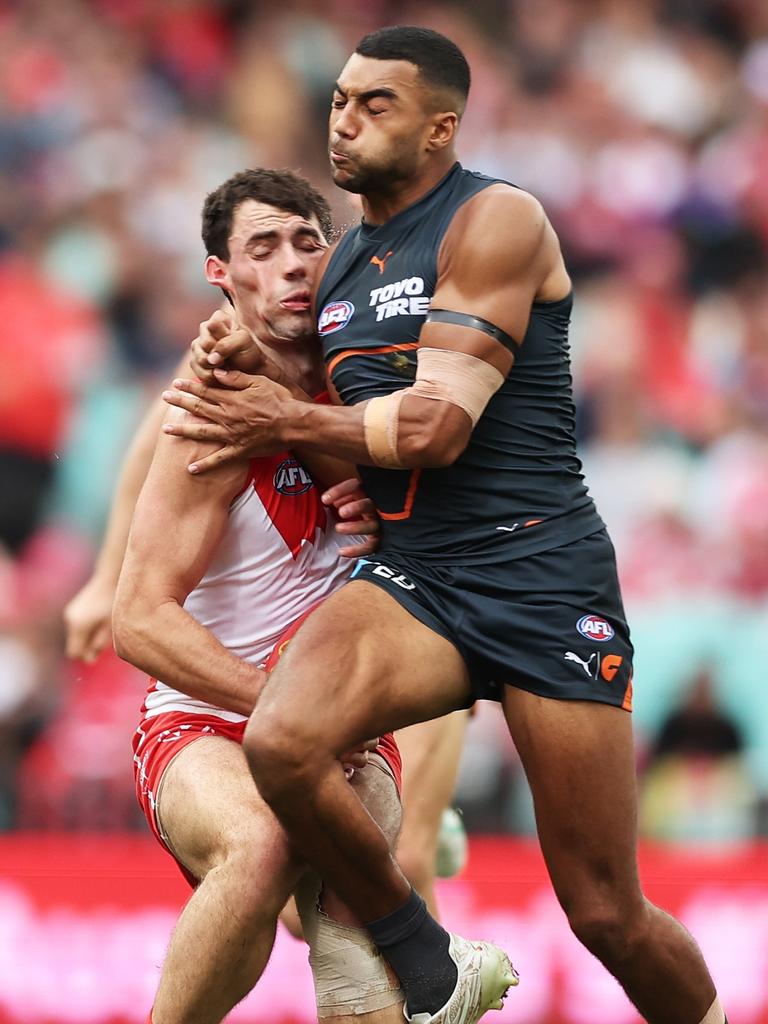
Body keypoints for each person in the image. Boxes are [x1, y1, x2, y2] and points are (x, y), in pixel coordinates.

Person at [162, 25, 727, 1024]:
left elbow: (434, 428)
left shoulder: (496, 219)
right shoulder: (338, 269)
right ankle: (429, 960)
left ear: (439, 129)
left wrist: (284, 414)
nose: (344, 120)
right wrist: (245, 366)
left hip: (541, 577)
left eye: (375, 104)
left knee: (605, 911)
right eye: (339, 100)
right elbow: (322, 420)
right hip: (419, 579)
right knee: (285, 741)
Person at [111, 168, 408, 1024]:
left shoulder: (371, 388)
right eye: (262, 247)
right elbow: (140, 620)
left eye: (308, 243)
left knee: (365, 942)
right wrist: (282, 707)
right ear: (222, 274)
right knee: (263, 844)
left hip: (347, 726)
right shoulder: (206, 414)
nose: (290, 265)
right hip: (207, 722)